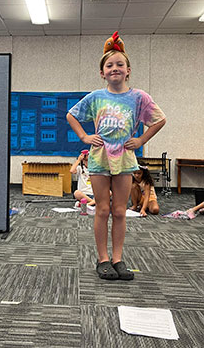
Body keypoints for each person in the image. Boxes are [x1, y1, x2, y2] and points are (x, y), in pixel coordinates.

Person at [66, 31, 166, 280]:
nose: (114, 68)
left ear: (128, 69)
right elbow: (71, 115)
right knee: (102, 209)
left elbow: (159, 119)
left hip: (124, 158)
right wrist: (85, 137)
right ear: (102, 73)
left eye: (120, 64)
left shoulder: (139, 97)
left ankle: (118, 258)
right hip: (100, 158)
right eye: (109, 65)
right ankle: (102, 259)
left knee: (120, 210)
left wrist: (142, 139)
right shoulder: (97, 97)